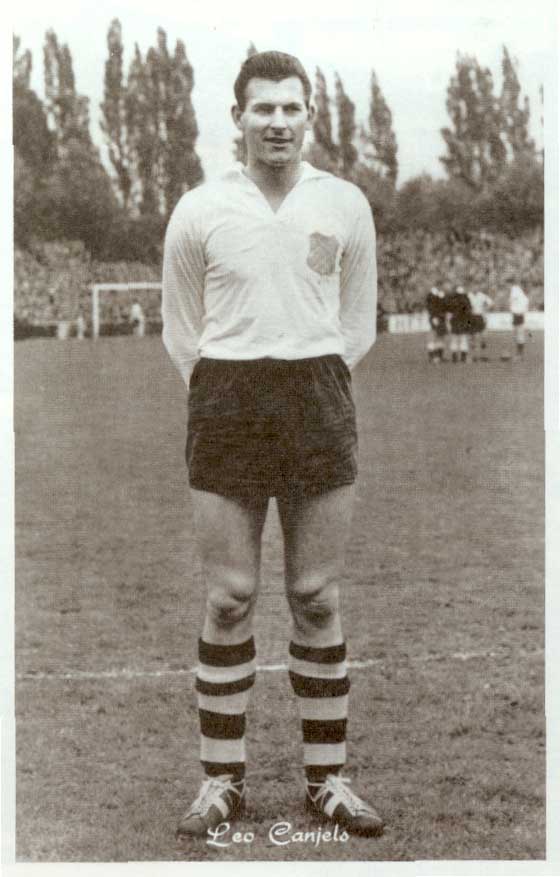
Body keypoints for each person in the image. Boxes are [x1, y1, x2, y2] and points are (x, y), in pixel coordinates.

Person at [162, 50, 383, 841]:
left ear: (309, 117)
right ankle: (221, 781)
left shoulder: (344, 203)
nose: (278, 122)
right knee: (229, 595)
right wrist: (230, 386)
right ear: (239, 118)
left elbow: (356, 323)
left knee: (316, 594)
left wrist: (305, 376)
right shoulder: (199, 208)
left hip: (317, 394)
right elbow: (182, 329)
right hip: (226, 397)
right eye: (264, 108)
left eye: (292, 108)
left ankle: (328, 781)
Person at [446, 285, 472, 362]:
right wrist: (469, 323)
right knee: (463, 339)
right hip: (463, 321)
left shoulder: (452, 300)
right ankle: (463, 357)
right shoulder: (466, 300)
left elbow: (449, 311)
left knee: (454, 338)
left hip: (455, 321)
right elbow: (468, 313)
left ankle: (454, 357)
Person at [467, 289, 493, 361]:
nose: (475, 287)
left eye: (476, 285)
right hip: (471, 317)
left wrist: (485, 309)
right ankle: (474, 355)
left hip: (480, 317)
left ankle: (483, 355)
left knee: (483, 336)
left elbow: (491, 303)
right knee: (472, 337)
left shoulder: (482, 296)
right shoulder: (468, 296)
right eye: (473, 285)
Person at [425, 286, 447, 362]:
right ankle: (434, 357)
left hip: (439, 318)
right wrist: (434, 317)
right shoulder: (434, 296)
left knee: (439, 336)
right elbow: (433, 307)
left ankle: (437, 356)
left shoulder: (435, 295)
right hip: (436, 317)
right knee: (435, 336)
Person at [509, 283, 529, 357]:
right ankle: (519, 352)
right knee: (516, 334)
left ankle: (520, 353)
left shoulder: (523, 297)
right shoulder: (520, 294)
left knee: (519, 334)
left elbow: (524, 308)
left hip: (519, 315)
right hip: (516, 315)